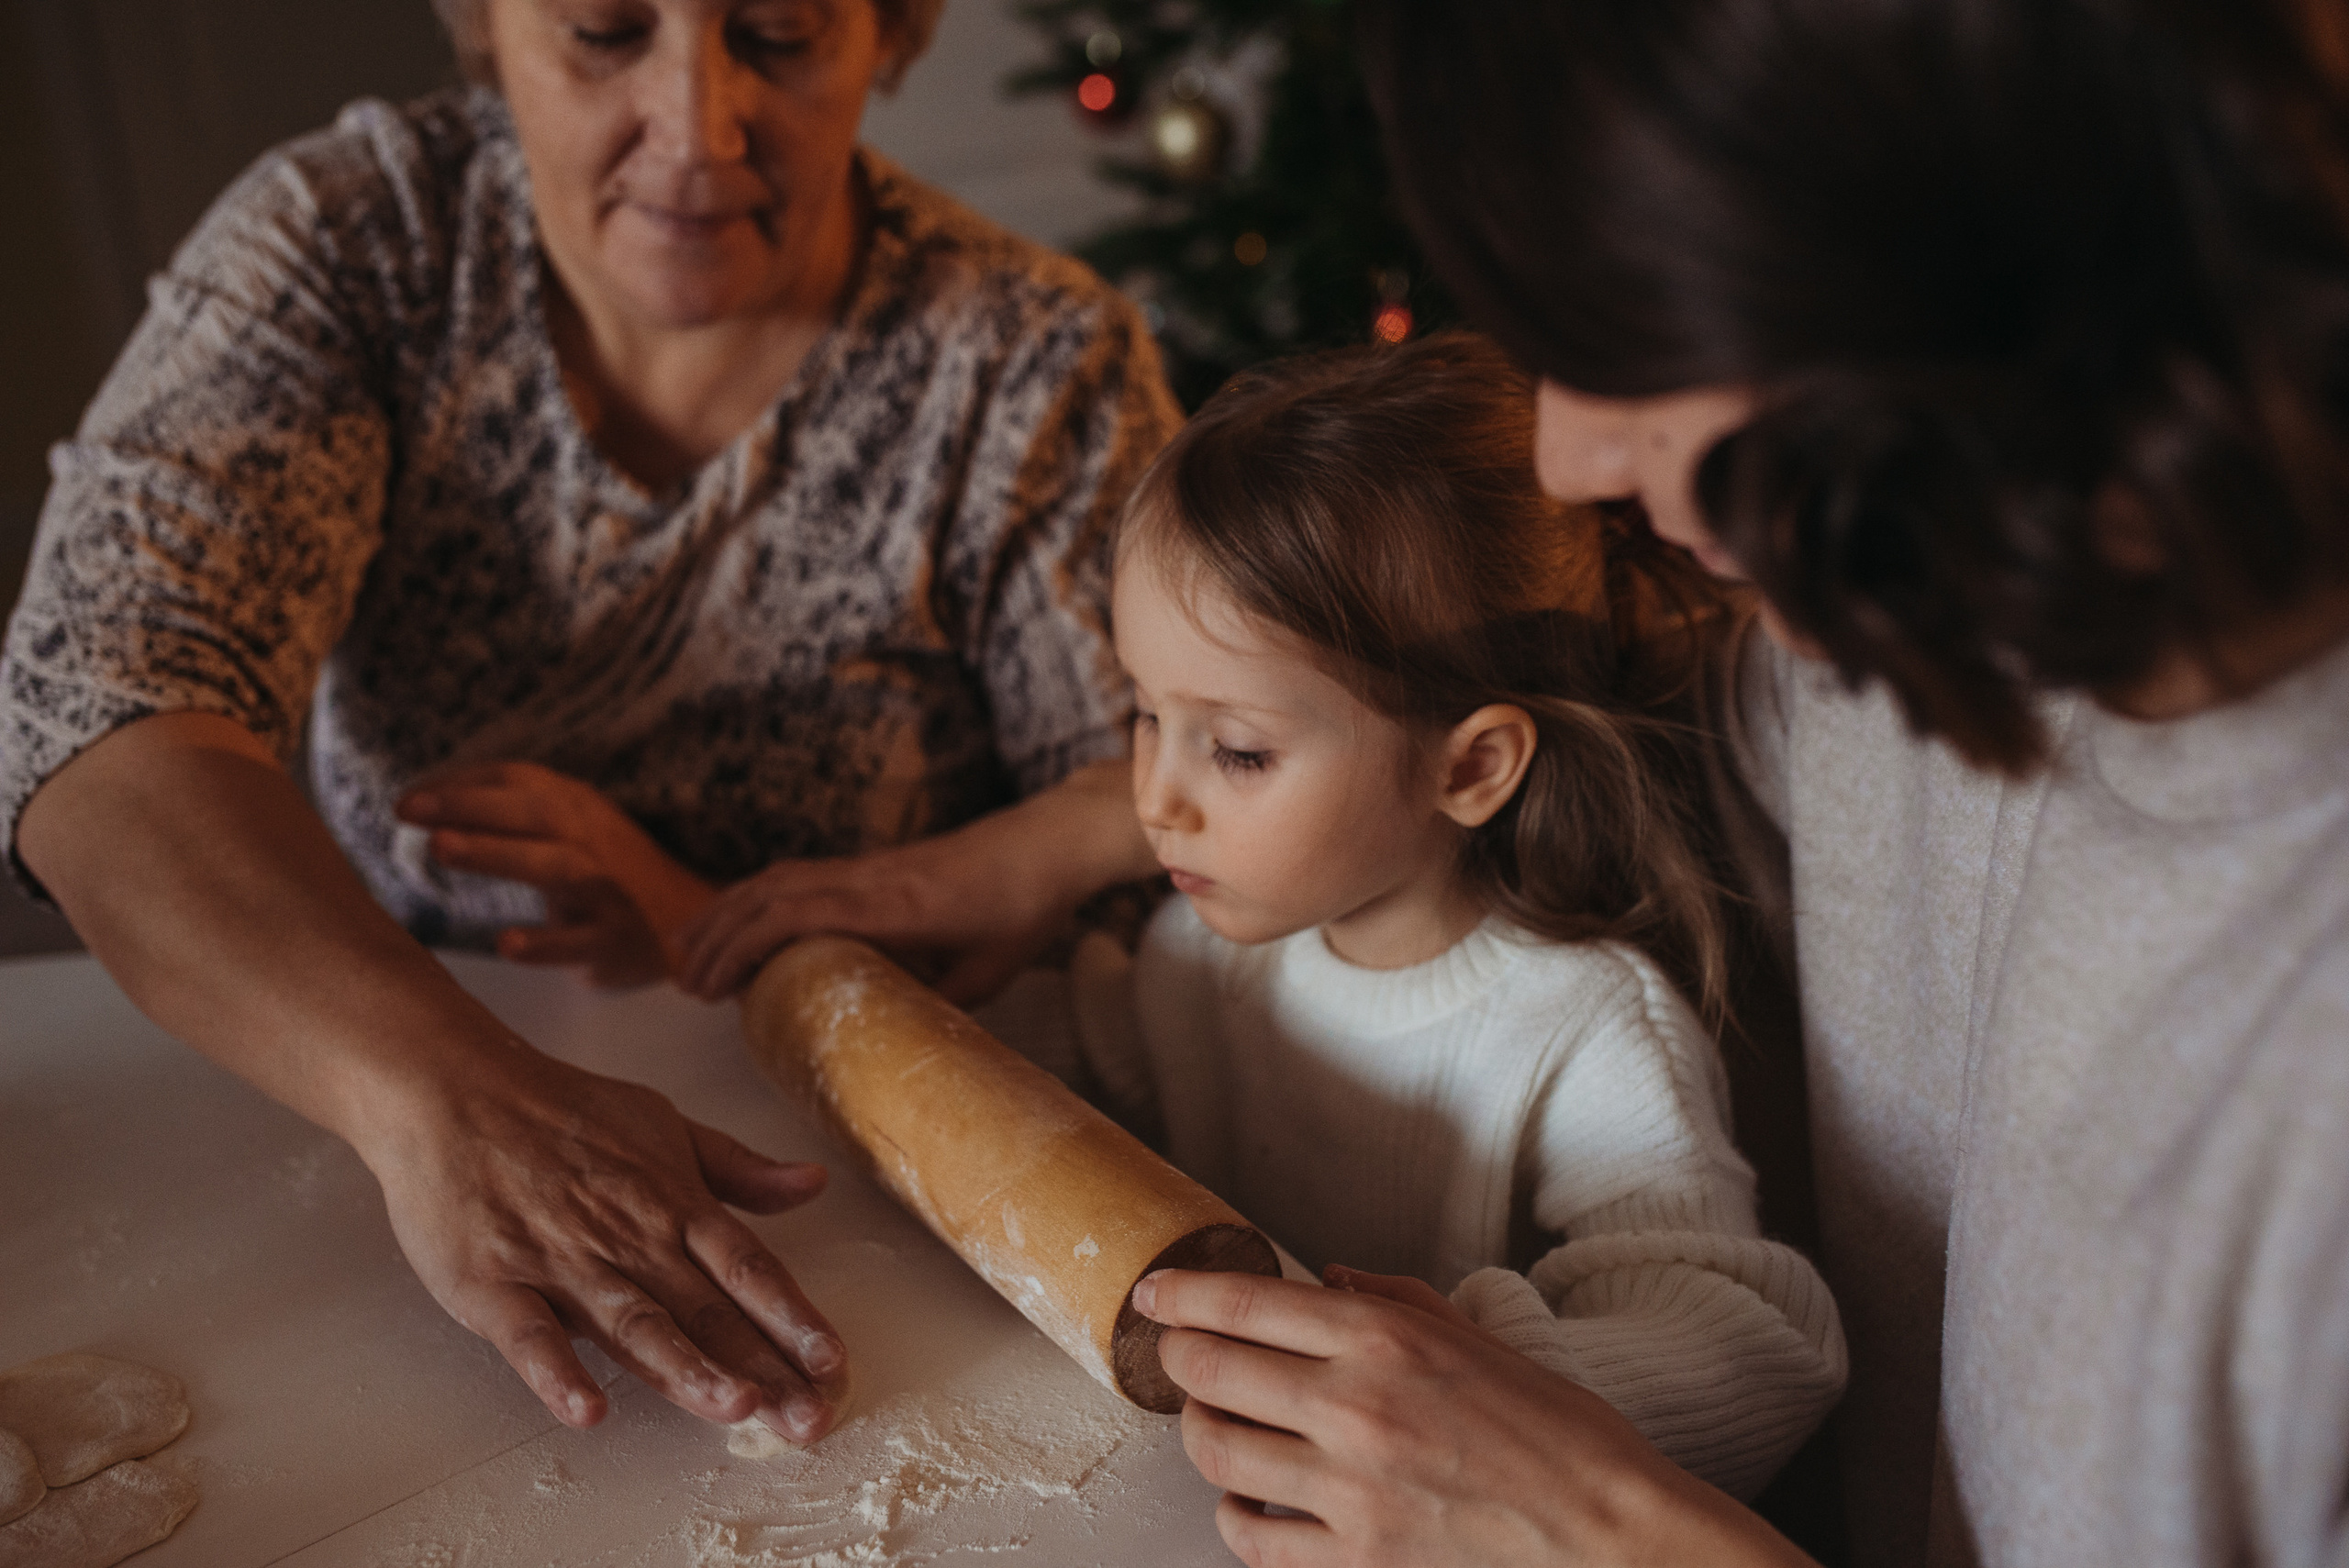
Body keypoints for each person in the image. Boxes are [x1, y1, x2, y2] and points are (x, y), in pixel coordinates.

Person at [1105, 2, 2349, 1566]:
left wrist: (1593, 1519)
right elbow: (1442, 726)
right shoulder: (1914, 609)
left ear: (1941, 254)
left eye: (1631, 338)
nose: (1569, 458)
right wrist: (1047, 836)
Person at [0, 0, 1178, 1451]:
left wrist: (902, 890)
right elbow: (96, 704)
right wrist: (447, 1098)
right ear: (484, 24)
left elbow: (1172, 826)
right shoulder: (360, 246)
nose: (698, 129)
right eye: (608, 32)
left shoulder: (1027, 363)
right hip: (377, 1110)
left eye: (783, 34)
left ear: (896, 32)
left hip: (884, 1194)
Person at [1049, 331, 1846, 1500]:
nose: (1154, 797)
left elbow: (1749, 1343)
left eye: (1235, 748)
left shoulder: (1583, 1026)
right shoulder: (1192, 957)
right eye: (1143, 713)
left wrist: (1486, 1379)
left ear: (1469, 766)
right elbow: (1076, 1074)